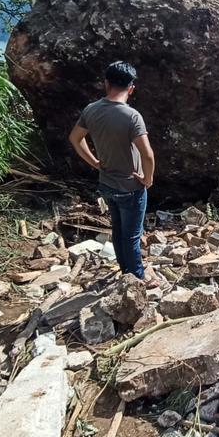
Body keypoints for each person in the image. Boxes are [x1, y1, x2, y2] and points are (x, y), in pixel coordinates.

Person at [68, 61, 156, 286]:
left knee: (118, 232)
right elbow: (147, 155)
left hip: (106, 183)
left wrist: (95, 162)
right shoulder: (132, 116)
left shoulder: (91, 110)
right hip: (131, 186)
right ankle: (136, 283)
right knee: (132, 237)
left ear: (106, 83)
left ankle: (125, 273)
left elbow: (75, 139)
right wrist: (148, 178)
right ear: (132, 88)